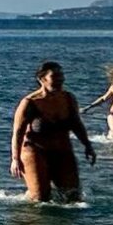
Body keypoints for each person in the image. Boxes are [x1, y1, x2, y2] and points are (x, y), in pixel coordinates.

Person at [11, 61, 95, 202]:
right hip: (35, 151)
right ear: (42, 79)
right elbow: (18, 132)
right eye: (55, 76)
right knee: (40, 198)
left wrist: (88, 145)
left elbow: (76, 124)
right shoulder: (30, 102)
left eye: (61, 75)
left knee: (73, 197)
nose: (60, 79)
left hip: (62, 150)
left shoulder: (68, 98)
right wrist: (15, 159)